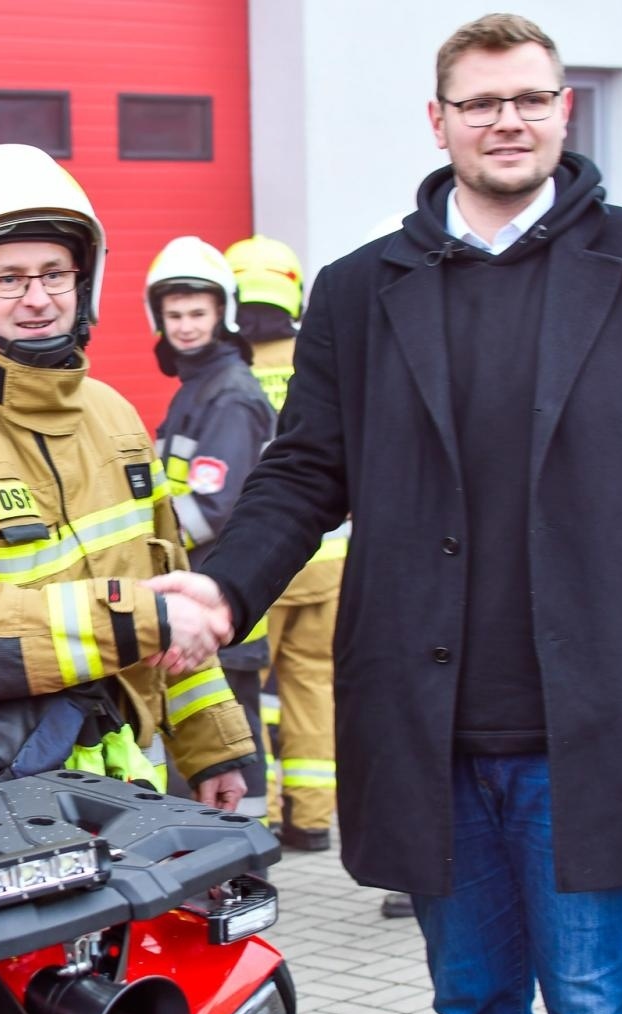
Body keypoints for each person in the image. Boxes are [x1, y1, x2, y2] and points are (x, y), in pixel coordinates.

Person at [149, 14, 622, 1014]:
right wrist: (222, 587)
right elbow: (303, 470)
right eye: (480, 103)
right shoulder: (360, 289)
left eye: (529, 98)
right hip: (430, 728)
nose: (507, 121)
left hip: (601, 726)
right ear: (438, 123)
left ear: (565, 108)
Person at [0, 143, 257, 863]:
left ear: (86, 279)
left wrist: (211, 748)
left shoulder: (117, 421)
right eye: (8, 278)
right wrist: (144, 618)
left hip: (121, 811)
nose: (38, 297)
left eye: (53, 273)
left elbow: (168, 587)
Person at [148, 236, 276, 822]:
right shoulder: (197, 387)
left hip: (218, 591)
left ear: (222, 313)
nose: (186, 326)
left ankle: (244, 852)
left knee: (234, 727)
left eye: (197, 313)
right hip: (197, 588)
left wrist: (143, 550)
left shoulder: (229, 394)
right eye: (174, 315)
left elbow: (215, 506)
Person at [225, 234, 345, 858]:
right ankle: (315, 819)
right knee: (312, 685)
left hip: (259, 565)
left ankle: (261, 813)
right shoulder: (315, 357)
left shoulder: (229, 370)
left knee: (248, 696)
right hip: (328, 561)